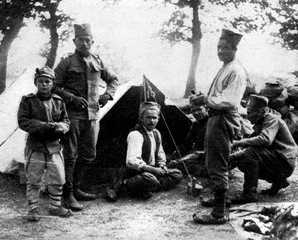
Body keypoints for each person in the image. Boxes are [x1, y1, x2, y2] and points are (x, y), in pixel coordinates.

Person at [53, 23, 119, 211]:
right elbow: (54, 86)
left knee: (89, 155)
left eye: (87, 40)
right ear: (74, 41)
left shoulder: (98, 61)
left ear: (92, 42)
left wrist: (108, 94)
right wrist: (71, 98)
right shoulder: (67, 62)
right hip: (72, 116)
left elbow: (113, 79)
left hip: (92, 116)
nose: (84, 43)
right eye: (80, 40)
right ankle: (68, 194)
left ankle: (78, 187)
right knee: (70, 155)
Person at [191, 28, 247, 224]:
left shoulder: (236, 71)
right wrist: (203, 98)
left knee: (218, 164)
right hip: (216, 117)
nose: (221, 51)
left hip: (224, 118)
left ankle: (218, 213)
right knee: (214, 161)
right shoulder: (226, 67)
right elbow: (217, 97)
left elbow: (229, 101)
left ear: (234, 49)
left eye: (225, 48)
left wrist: (206, 100)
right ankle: (219, 201)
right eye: (219, 47)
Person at [17, 66, 72, 222]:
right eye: (40, 81)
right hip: (36, 147)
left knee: (59, 178)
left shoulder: (58, 101)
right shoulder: (28, 101)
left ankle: (54, 206)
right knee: (34, 179)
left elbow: (65, 120)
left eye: (47, 81)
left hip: (54, 146)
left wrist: (62, 127)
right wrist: (43, 126)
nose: (44, 84)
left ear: (52, 83)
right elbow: (23, 122)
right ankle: (33, 209)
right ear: (36, 83)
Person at [229, 94, 298, 204]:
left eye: (250, 113)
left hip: (285, 161)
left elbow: (265, 140)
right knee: (243, 159)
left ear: (259, 111)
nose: (247, 116)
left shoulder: (271, 119)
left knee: (251, 153)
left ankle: (249, 194)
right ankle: (279, 180)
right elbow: (251, 146)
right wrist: (231, 157)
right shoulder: (261, 122)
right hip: (280, 159)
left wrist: (237, 143)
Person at [105, 102, 183, 201]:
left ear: (158, 119)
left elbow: (160, 153)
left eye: (154, 118)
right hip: (134, 173)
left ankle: (143, 189)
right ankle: (122, 185)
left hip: (151, 171)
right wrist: (152, 170)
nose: (152, 121)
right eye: (148, 117)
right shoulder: (136, 134)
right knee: (149, 179)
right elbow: (132, 162)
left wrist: (162, 165)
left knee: (177, 174)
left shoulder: (156, 133)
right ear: (141, 118)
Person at [167, 100, 208, 177]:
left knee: (182, 166)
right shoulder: (196, 124)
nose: (196, 113)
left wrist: (201, 154)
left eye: (199, 109)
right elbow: (187, 144)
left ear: (206, 108)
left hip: (211, 157)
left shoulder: (213, 124)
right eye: (193, 110)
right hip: (196, 156)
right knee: (173, 162)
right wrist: (175, 156)